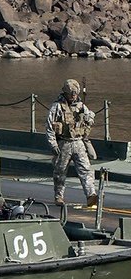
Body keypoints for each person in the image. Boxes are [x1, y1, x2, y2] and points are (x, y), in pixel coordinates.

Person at [46, 77, 99, 211]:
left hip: (79, 142)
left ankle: (91, 195)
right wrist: (53, 144)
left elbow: (90, 116)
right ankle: (59, 196)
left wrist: (89, 118)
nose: (74, 96)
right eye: (71, 93)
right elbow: (49, 127)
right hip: (64, 143)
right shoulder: (57, 107)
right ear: (66, 93)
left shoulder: (81, 106)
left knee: (86, 170)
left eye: (75, 93)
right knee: (60, 172)